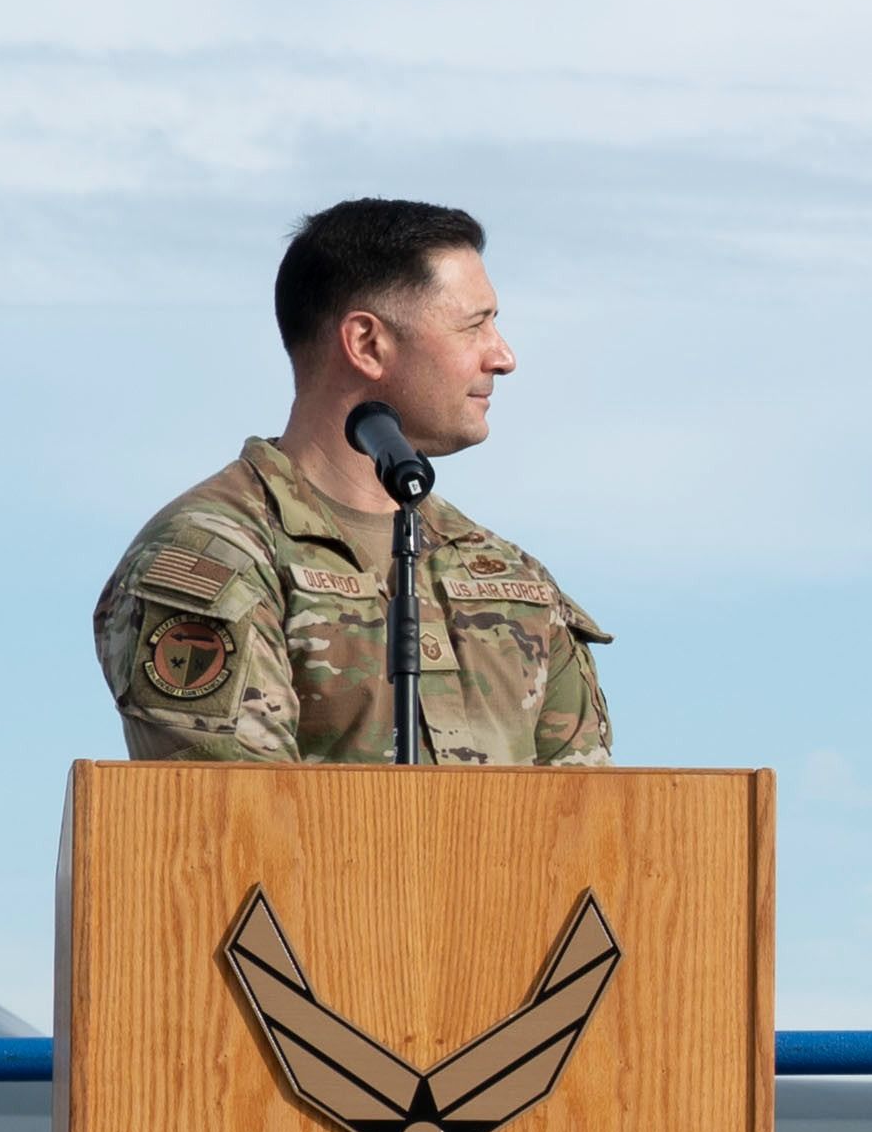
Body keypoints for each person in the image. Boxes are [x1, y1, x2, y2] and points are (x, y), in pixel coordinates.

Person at [94, 198, 612, 767]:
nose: (504, 356)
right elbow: (237, 811)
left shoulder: (511, 578)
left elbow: (588, 813)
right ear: (367, 343)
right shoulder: (214, 557)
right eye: (474, 326)